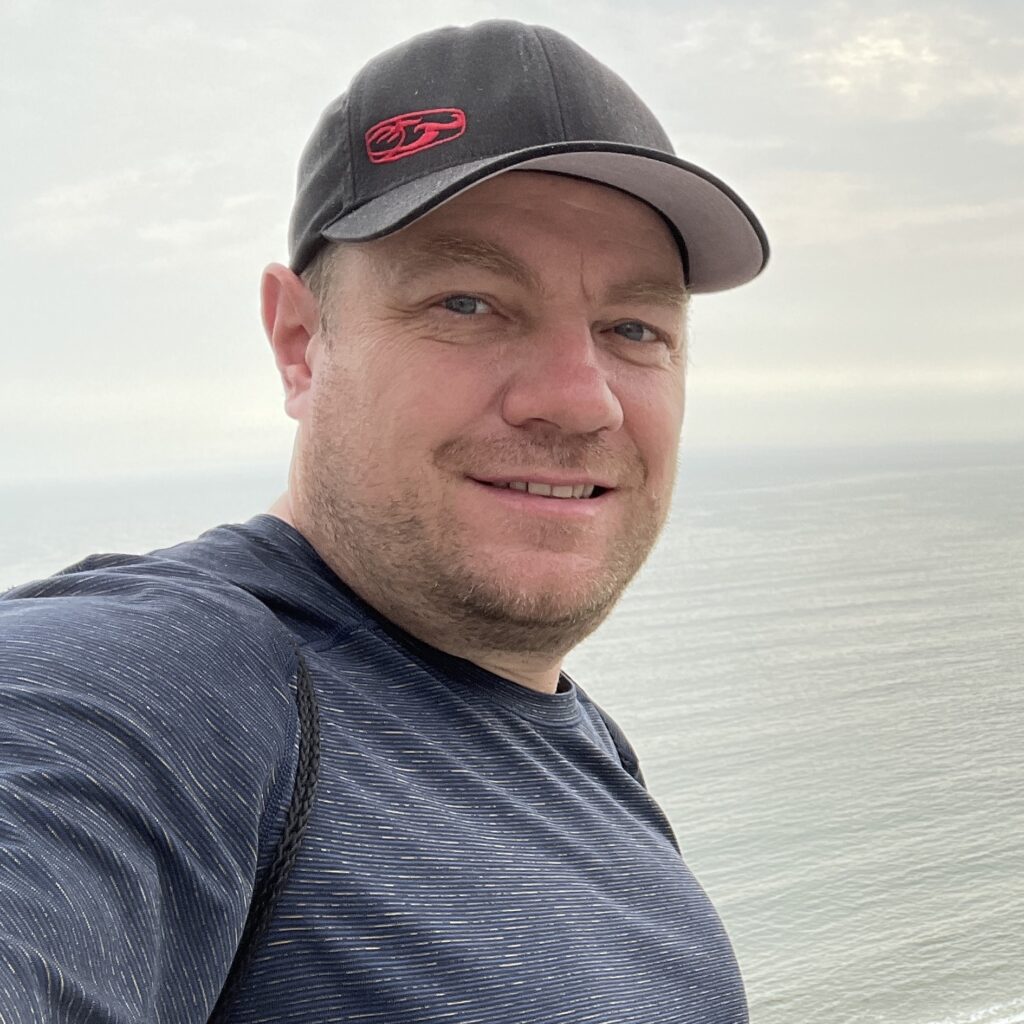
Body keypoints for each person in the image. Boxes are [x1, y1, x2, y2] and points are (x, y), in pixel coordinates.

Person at [0, 19, 768, 1024]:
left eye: (633, 327)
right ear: (300, 343)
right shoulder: (159, 683)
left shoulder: (584, 747)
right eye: (467, 303)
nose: (580, 401)